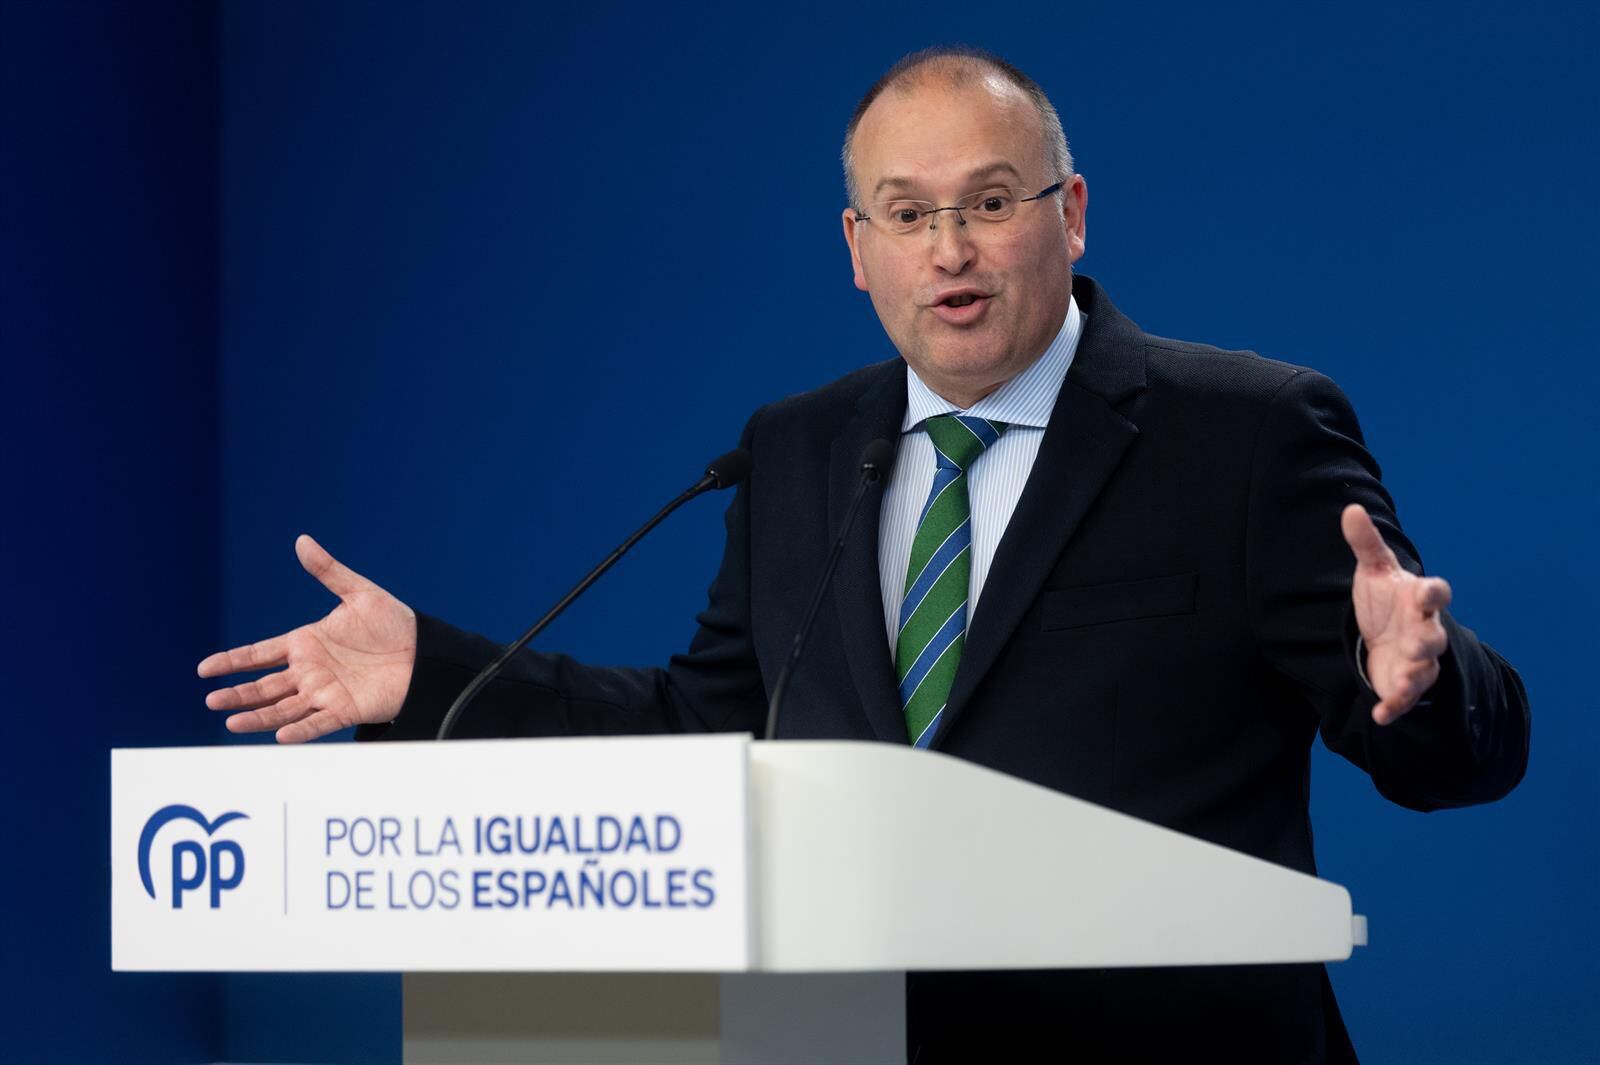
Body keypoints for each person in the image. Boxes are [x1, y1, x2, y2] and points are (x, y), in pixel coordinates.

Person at [198, 47, 1529, 1063]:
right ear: (858, 249)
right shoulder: (796, 450)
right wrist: (429, 672)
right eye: (906, 213)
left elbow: (1463, 750)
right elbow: (711, 728)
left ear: (1070, 213)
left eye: (990, 201)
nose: (949, 249)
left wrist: (1421, 679)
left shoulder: (1245, 431)